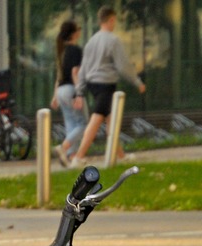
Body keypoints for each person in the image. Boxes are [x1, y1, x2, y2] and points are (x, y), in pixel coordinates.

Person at [70, 7, 146, 166]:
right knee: (97, 118)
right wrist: (137, 82)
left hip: (92, 84)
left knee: (111, 120)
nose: (115, 24)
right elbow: (123, 65)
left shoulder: (91, 41)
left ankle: (120, 155)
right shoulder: (113, 40)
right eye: (115, 21)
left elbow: (83, 68)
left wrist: (80, 91)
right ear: (111, 20)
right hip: (106, 84)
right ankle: (78, 156)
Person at [51, 20, 86, 167]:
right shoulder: (75, 50)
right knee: (82, 124)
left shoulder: (62, 51)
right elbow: (75, 73)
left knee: (70, 124)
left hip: (61, 91)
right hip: (71, 89)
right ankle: (63, 148)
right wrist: (79, 94)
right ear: (73, 33)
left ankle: (70, 156)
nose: (80, 31)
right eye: (78, 29)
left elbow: (59, 76)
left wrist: (54, 96)